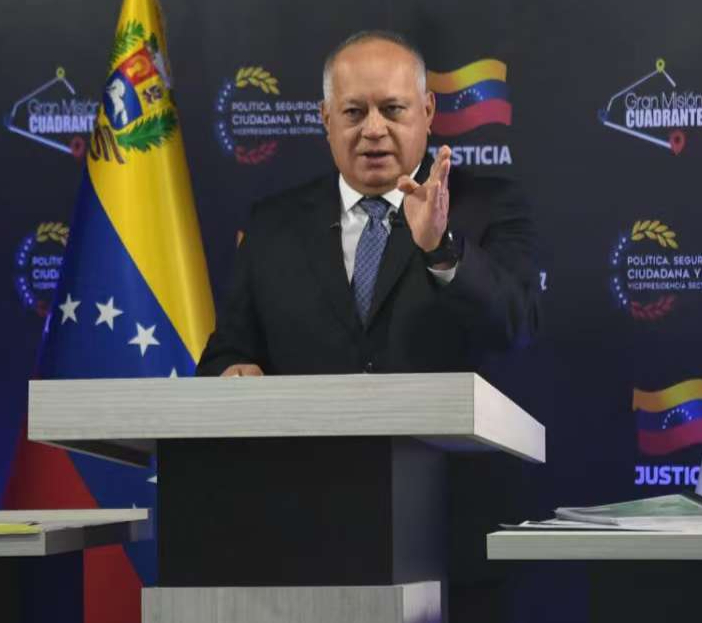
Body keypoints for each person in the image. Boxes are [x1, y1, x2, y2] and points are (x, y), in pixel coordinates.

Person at [196, 29, 539, 377]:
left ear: (427, 111)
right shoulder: (271, 224)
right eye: (354, 112)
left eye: (392, 109)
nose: (373, 129)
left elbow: (517, 326)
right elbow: (224, 354)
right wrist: (233, 371)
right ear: (326, 119)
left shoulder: (489, 206)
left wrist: (441, 247)